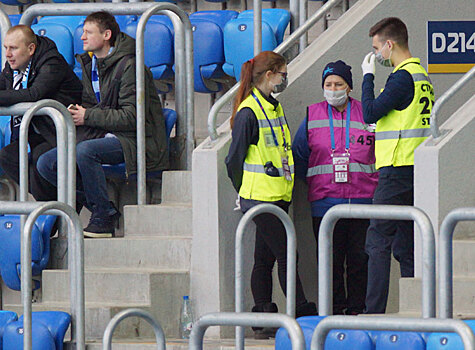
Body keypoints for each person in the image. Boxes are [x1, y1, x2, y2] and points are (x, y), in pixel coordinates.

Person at [37, 12, 169, 238]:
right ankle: (104, 208)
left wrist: (88, 116)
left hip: (135, 139)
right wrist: (78, 115)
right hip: (102, 134)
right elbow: (92, 107)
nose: (82, 38)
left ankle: (103, 219)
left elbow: (132, 117)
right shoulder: (91, 64)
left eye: (88, 32)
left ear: (106, 35)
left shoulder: (131, 66)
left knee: (85, 151)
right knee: (46, 163)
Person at [225, 51, 316, 339]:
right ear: (269, 75)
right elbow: (233, 160)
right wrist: (244, 191)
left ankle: (263, 314)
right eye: (282, 74)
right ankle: (301, 313)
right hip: (260, 198)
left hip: (278, 196)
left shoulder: (273, 107)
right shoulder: (249, 112)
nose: (284, 79)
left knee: (264, 258)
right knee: (288, 253)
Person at [293, 61, 378, 315]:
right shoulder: (312, 115)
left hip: (363, 202)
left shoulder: (368, 114)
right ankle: (333, 310)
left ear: (349, 87)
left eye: (338, 84)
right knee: (329, 263)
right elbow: (299, 156)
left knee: (359, 261)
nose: (333, 89)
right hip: (325, 204)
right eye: (328, 85)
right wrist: (319, 184)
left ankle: (356, 311)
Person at [360, 17, 434, 313]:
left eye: (377, 48)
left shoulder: (402, 77)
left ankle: (373, 314)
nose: (377, 55)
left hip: (396, 169)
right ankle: (415, 311)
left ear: (389, 44)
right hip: (415, 168)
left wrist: (368, 77)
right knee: (406, 246)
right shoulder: (421, 75)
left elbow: (369, 111)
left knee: (377, 240)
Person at [0, 25, 83, 202]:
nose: (7, 54)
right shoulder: (12, 66)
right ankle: (51, 205)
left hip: (61, 134)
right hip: (38, 133)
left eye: (13, 48)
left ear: (31, 49)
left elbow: (34, 94)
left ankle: (59, 207)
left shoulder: (52, 62)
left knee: (40, 157)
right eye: (6, 47)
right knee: (8, 156)